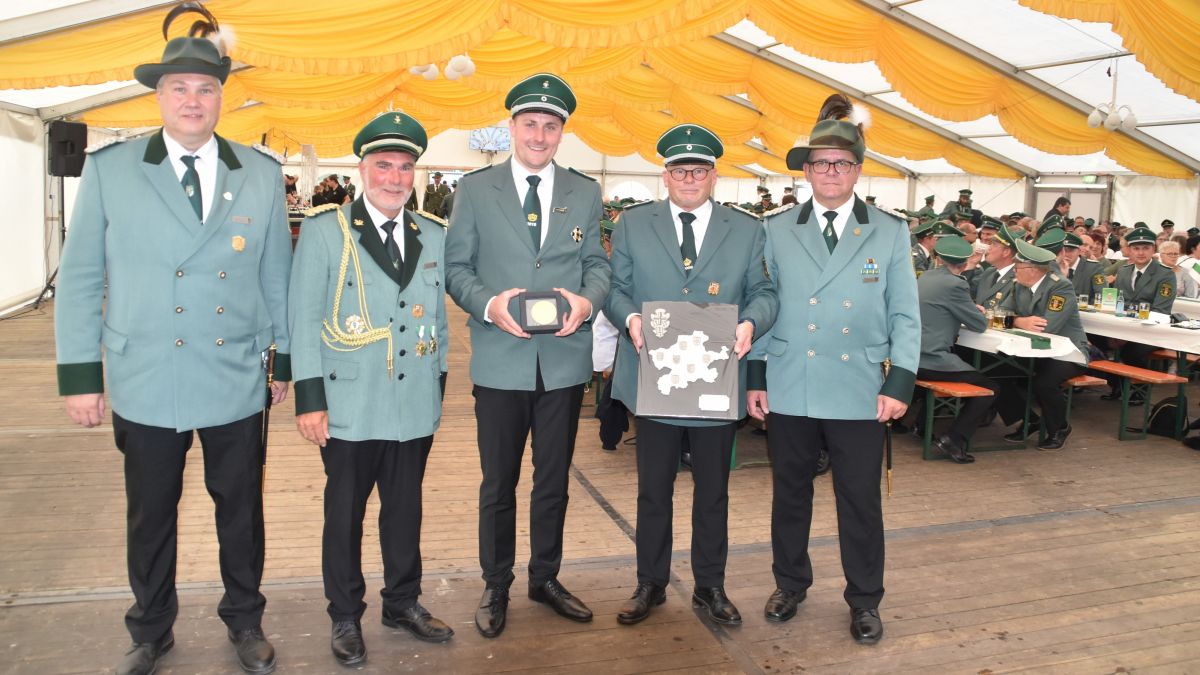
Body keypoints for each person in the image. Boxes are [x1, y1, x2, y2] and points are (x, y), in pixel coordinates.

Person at [53, 22, 291, 675]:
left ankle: (245, 619)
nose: (193, 100)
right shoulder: (111, 170)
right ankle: (151, 626)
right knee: (150, 512)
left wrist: (285, 360)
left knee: (240, 509)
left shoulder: (260, 175)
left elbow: (277, 277)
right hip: (146, 373)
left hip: (234, 372)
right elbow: (79, 279)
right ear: (158, 97)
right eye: (179, 87)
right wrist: (80, 375)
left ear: (222, 98)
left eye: (206, 88)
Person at [745, 93, 920, 645]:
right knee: (789, 492)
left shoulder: (889, 231)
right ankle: (790, 583)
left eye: (841, 163)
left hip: (859, 387)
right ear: (805, 171)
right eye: (819, 163)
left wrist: (900, 381)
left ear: (858, 171)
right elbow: (761, 302)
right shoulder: (773, 228)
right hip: (790, 380)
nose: (830, 172)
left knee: (860, 499)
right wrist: (754, 375)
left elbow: (905, 314)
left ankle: (865, 599)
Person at [444, 73, 611, 639]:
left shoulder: (584, 192)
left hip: (562, 359)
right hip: (500, 358)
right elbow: (456, 268)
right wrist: (489, 306)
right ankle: (497, 583)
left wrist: (587, 303)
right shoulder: (474, 188)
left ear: (562, 132)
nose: (540, 134)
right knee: (498, 482)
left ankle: (545, 577)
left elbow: (598, 263)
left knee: (554, 479)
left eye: (551, 125)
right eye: (530, 123)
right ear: (511, 127)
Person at [289, 113, 453, 666]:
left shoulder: (431, 234)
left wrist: (439, 387)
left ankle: (402, 602)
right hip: (350, 404)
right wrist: (309, 400)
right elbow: (304, 317)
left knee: (405, 510)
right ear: (362, 170)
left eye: (405, 167)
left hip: (413, 405)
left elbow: (440, 323)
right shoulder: (323, 230)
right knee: (345, 513)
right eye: (383, 165)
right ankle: (344, 614)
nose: (395, 177)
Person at [605, 124, 778, 627]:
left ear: (714, 176)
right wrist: (631, 320)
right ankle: (650, 583)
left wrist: (750, 323)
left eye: (698, 170)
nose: (689, 178)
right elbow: (616, 289)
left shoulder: (746, 229)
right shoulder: (634, 225)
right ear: (665, 176)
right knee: (652, 489)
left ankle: (710, 585)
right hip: (652, 378)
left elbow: (765, 292)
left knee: (713, 491)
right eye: (680, 170)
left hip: (715, 381)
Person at [912, 237, 1006, 463]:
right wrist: (975, 310)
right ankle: (953, 439)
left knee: (964, 370)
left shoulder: (926, 277)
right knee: (991, 388)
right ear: (964, 264)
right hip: (930, 359)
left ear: (938, 258)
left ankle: (920, 425)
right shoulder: (956, 284)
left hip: (911, 356)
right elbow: (979, 324)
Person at [998, 239, 1089, 449]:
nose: (1014, 272)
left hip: (1068, 352)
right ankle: (1029, 420)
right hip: (1033, 350)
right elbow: (997, 316)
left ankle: (1059, 427)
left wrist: (1016, 322)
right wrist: (1021, 321)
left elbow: (1047, 328)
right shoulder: (1018, 286)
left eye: (1018, 268)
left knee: (1044, 383)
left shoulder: (1060, 287)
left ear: (1033, 270)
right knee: (996, 372)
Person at [1100, 226, 1177, 404]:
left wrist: (1127, 328)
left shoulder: (1165, 275)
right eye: (1136, 248)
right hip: (1123, 328)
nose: (1141, 253)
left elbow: (1160, 310)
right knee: (1095, 342)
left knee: (1131, 351)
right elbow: (1118, 302)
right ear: (1129, 250)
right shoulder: (1125, 271)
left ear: (1153, 250)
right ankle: (1117, 384)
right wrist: (1119, 330)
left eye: (1145, 248)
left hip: (1150, 331)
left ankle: (1140, 389)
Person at [972, 225, 1020, 308]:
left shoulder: (1018, 277)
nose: (988, 248)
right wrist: (971, 265)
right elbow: (966, 293)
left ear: (1006, 252)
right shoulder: (989, 272)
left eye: (993, 244)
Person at [1057, 231, 1107, 304]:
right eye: (1063, 250)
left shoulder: (1093, 268)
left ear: (1079, 251)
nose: (1066, 254)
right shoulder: (1053, 267)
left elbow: (1101, 295)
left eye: (1070, 250)